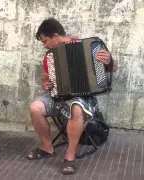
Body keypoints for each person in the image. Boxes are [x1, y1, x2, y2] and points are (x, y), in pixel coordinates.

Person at [27, 18, 118, 174]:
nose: (45, 45)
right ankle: (47, 147)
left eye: (45, 41)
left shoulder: (88, 47)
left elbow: (113, 68)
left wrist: (109, 60)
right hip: (59, 97)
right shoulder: (49, 56)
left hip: (84, 98)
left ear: (56, 35)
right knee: (35, 107)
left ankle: (69, 156)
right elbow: (45, 79)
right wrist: (46, 84)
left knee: (76, 108)